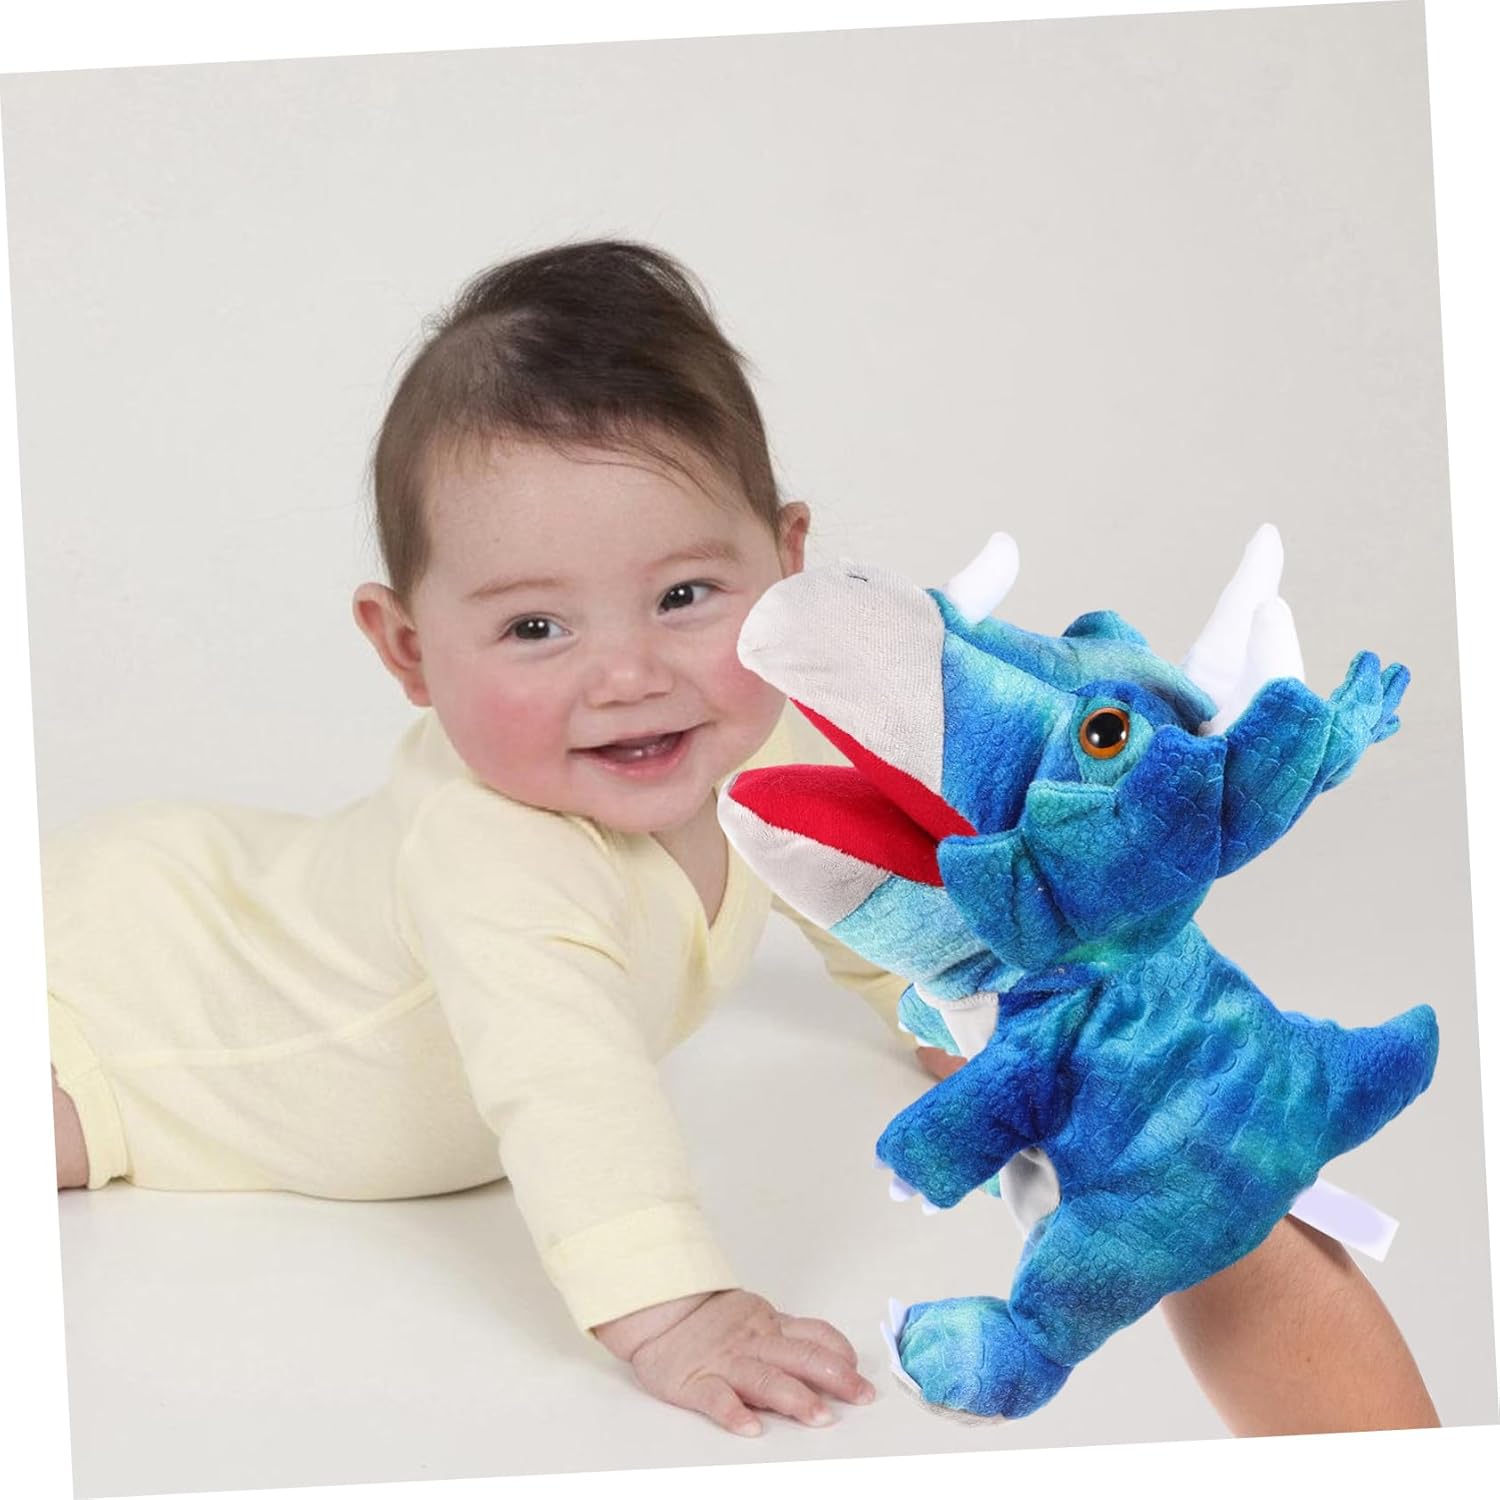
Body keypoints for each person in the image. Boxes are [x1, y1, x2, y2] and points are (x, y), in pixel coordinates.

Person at [44, 240, 1437, 1439]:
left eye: (684, 596)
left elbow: (861, 886)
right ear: (407, 648)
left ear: (788, 563)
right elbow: (565, 1089)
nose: (627, 675)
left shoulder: (754, 742)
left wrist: (936, 1014)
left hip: (233, 894)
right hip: (138, 1011)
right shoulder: (493, 858)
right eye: (535, 626)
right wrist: (675, 1308)